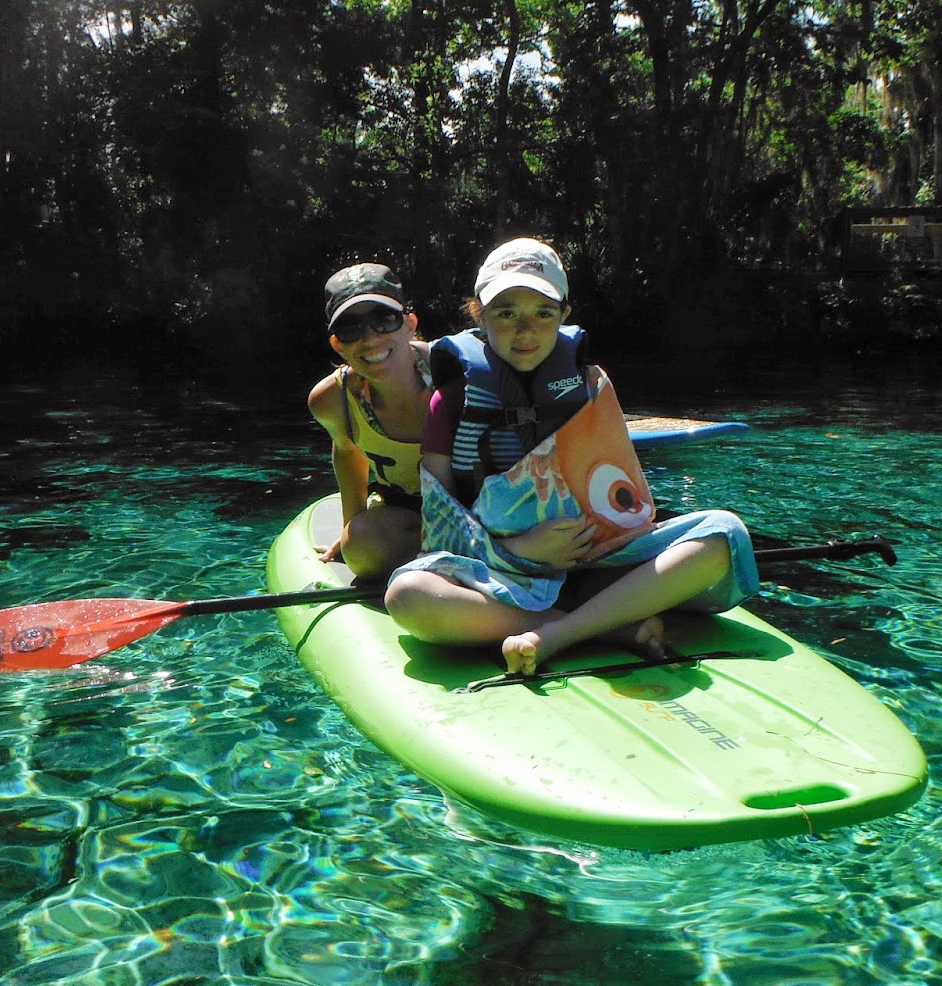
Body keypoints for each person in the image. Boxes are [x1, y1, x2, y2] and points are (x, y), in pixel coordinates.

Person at [384, 237, 759, 675]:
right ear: (479, 316)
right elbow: (439, 528)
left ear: (564, 315)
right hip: (501, 572)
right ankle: (604, 626)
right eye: (506, 314)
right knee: (407, 595)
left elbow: (627, 500)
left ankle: (559, 634)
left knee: (724, 534)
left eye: (543, 313)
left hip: (597, 562)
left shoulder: (591, 389)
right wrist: (520, 549)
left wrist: (602, 543)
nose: (525, 331)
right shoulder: (449, 403)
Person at [307, 262, 433, 579]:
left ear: (409, 324)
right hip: (409, 515)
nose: (370, 338)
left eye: (384, 320)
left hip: (478, 510)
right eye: (351, 328)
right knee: (362, 551)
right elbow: (348, 451)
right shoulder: (331, 400)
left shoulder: (456, 373)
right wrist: (352, 528)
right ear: (337, 343)